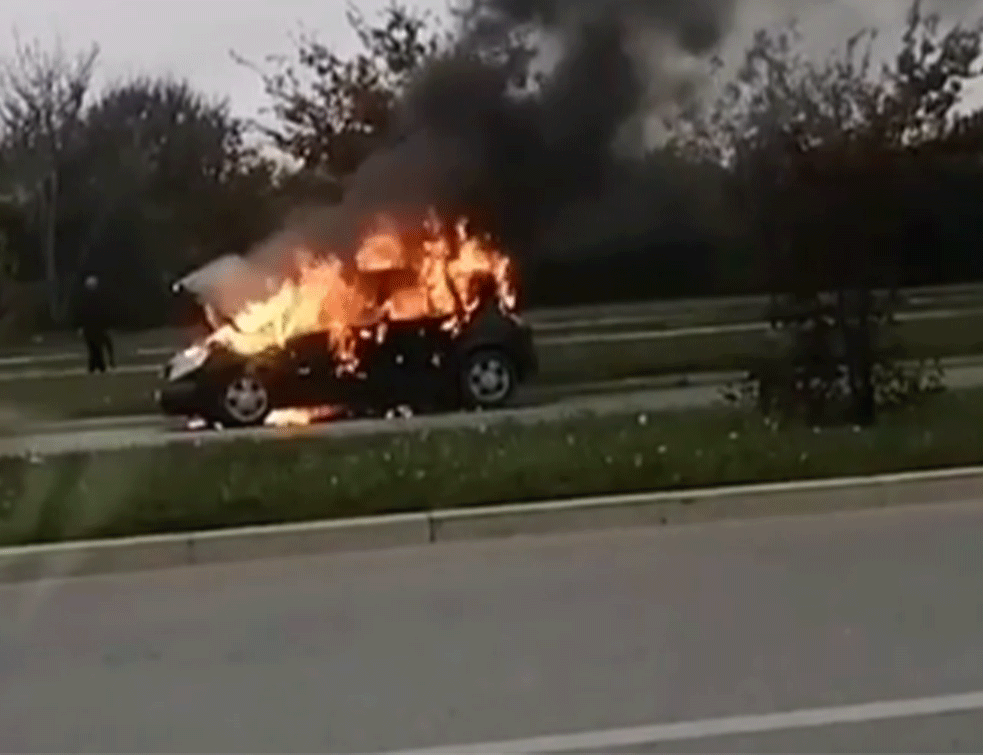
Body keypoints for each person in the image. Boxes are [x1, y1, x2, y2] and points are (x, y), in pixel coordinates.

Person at [77, 275, 115, 373]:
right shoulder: (97, 298)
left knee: (94, 347)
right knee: (98, 347)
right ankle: (99, 365)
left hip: (92, 327)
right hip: (95, 327)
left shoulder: (85, 299)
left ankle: (96, 365)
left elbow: (81, 313)